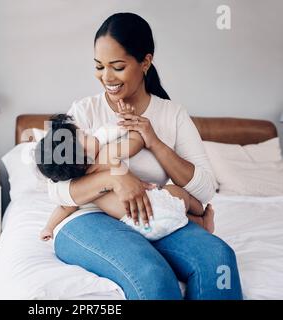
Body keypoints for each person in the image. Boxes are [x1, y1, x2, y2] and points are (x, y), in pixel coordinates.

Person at [48, 12, 243, 299]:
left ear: (145, 62)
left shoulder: (171, 114)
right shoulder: (82, 113)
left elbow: (204, 188)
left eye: (117, 66)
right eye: (99, 66)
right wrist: (117, 178)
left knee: (218, 260)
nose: (106, 77)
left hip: (153, 217)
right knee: (152, 274)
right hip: (88, 218)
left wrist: (155, 142)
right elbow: (55, 187)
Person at [36, 112, 210, 242]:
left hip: (138, 225)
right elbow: (136, 143)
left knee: (176, 217)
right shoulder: (106, 155)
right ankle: (201, 215)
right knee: (181, 195)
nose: (93, 136)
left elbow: (65, 208)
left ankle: (199, 222)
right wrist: (132, 127)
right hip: (155, 201)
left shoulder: (82, 186)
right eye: (87, 137)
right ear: (81, 159)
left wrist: (48, 227)